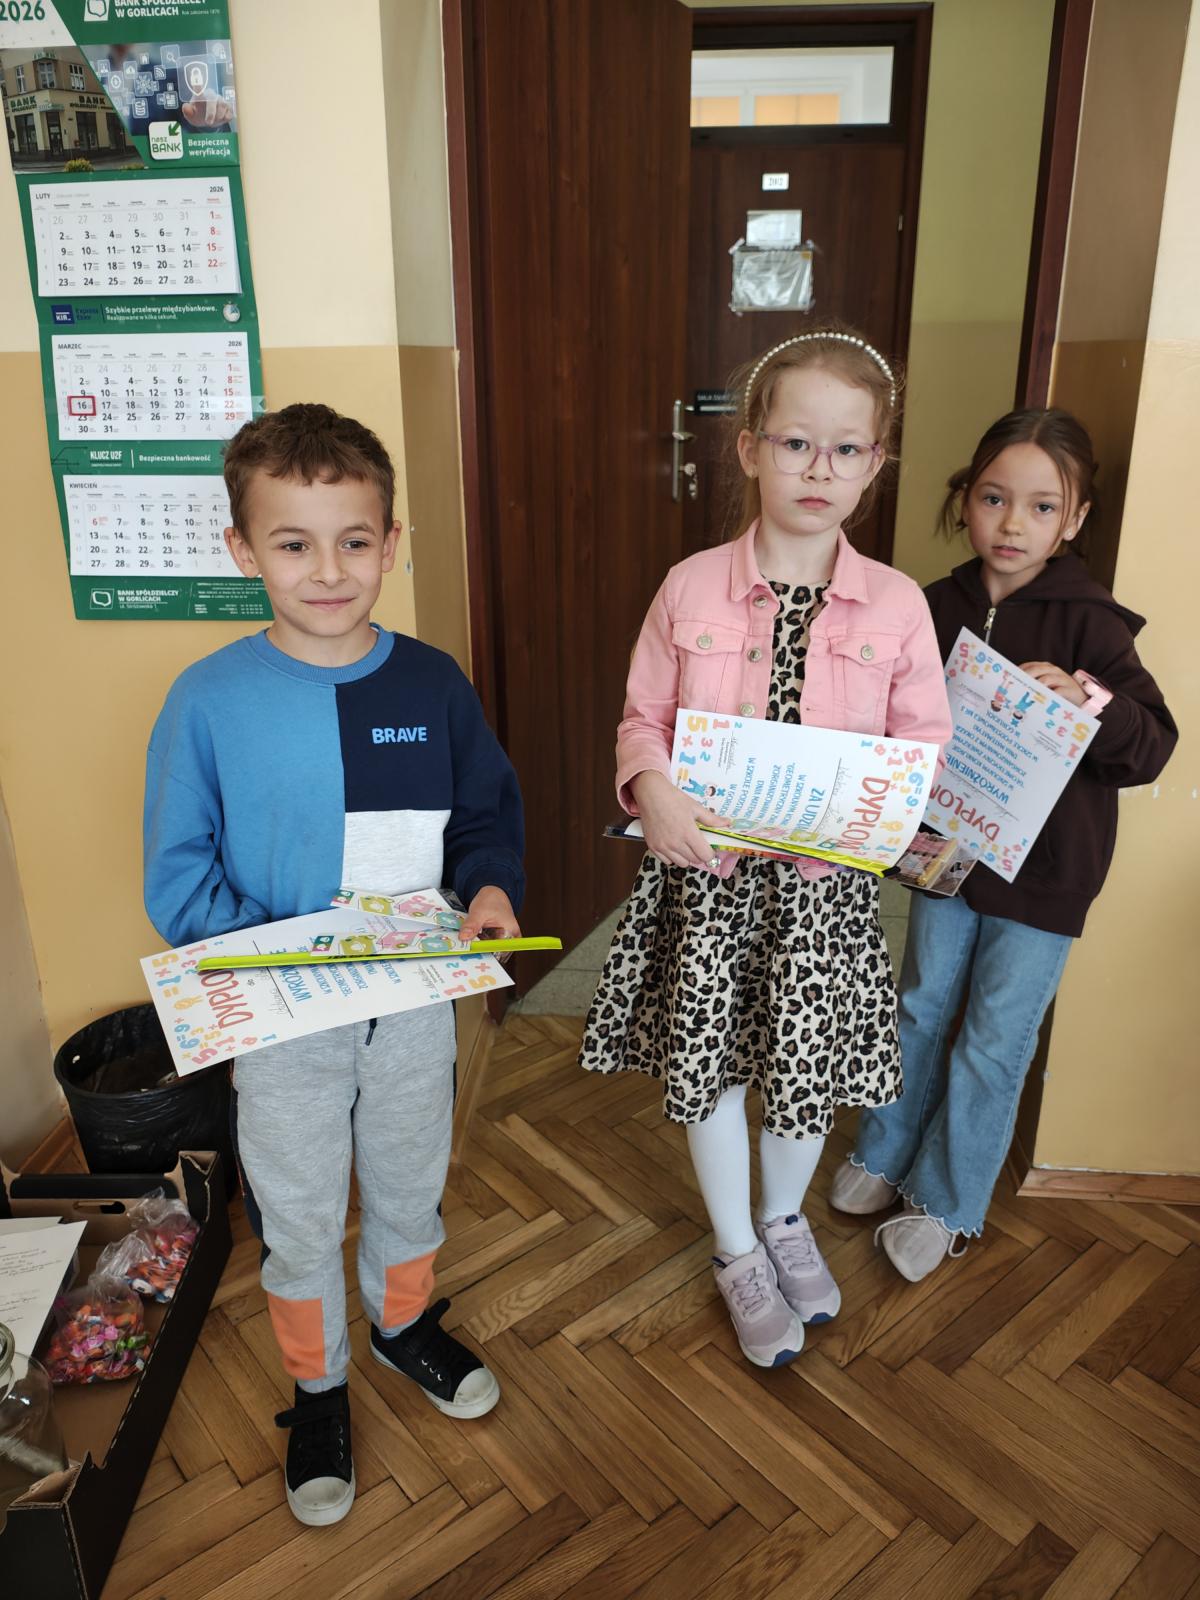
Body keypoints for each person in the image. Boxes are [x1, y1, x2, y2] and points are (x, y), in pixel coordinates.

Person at [143, 404, 524, 1526]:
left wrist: (489, 888)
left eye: (354, 541)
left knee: (408, 1183)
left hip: (411, 1012)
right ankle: (317, 1387)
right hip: (281, 1025)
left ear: (391, 543)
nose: (327, 570)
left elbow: (484, 818)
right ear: (242, 550)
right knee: (301, 1212)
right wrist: (274, 956)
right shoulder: (208, 700)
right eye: (293, 543)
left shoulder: (433, 684)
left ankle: (402, 1326)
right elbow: (179, 874)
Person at [579, 327, 953, 1367]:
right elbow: (643, 717)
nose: (818, 469)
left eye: (846, 449)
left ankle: (782, 1218)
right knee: (714, 1067)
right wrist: (652, 788)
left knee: (801, 1063)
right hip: (711, 882)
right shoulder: (689, 586)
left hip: (823, 894)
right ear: (749, 449)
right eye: (795, 443)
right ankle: (736, 1248)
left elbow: (923, 744)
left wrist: (888, 809)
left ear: (875, 463)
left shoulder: (899, 605)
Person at [831, 408, 1177, 1280]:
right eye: (993, 498)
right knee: (920, 1006)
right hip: (944, 853)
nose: (1012, 523)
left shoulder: (1093, 624)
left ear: (1075, 520)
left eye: (1041, 507)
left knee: (994, 1037)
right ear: (966, 500)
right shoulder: (931, 606)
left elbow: (1150, 748)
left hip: (1048, 877)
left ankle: (948, 1200)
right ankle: (885, 1150)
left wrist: (1087, 700)